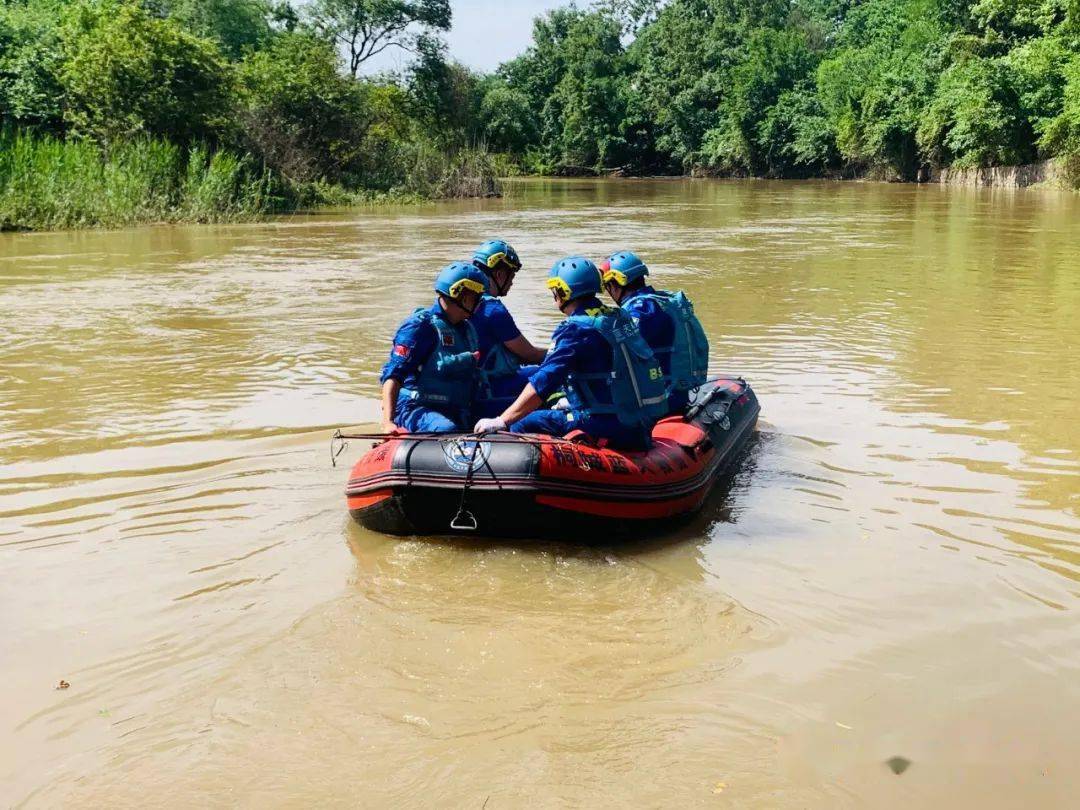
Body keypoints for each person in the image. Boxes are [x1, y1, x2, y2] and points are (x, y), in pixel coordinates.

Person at [473, 256, 668, 450]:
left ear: (562, 292)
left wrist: (502, 420)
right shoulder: (618, 317)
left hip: (606, 423)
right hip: (638, 422)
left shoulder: (576, 330)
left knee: (523, 422)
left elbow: (544, 380)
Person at [379, 262, 488, 434]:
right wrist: (387, 423)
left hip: (456, 407)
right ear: (464, 296)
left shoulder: (466, 329)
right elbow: (392, 376)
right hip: (416, 408)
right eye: (477, 298)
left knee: (510, 408)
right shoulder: (420, 327)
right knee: (447, 429)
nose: (480, 303)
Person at [600, 250, 710, 415]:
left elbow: (618, 355)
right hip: (684, 392)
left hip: (663, 398)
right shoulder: (666, 302)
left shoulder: (640, 311)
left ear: (615, 284)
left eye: (608, 286)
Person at [468, 239, 547, 419]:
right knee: (550, 377)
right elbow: (530, 355)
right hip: (488, 392)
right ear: (500, 274)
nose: (512, 282)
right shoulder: (493, 309)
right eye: (511, 275)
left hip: (468, 388)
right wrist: (562, 355)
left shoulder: (461, 301)